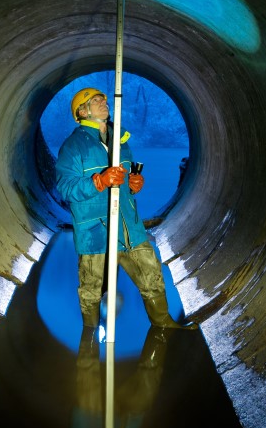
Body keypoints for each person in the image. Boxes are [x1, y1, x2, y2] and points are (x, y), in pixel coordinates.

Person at [55, 87, 197, 330]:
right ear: (82, 111)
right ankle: (89, 335)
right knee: (91, 287)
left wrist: (134, 184)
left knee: (150, 272)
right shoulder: (73, 146)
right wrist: (99, 181)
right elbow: (66, 188)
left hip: (129, 227)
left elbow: (128, 178)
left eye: (104, 100)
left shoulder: (119, 138)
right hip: (94, 232)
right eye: (96, 100)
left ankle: (163, 323)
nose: (104, 103)